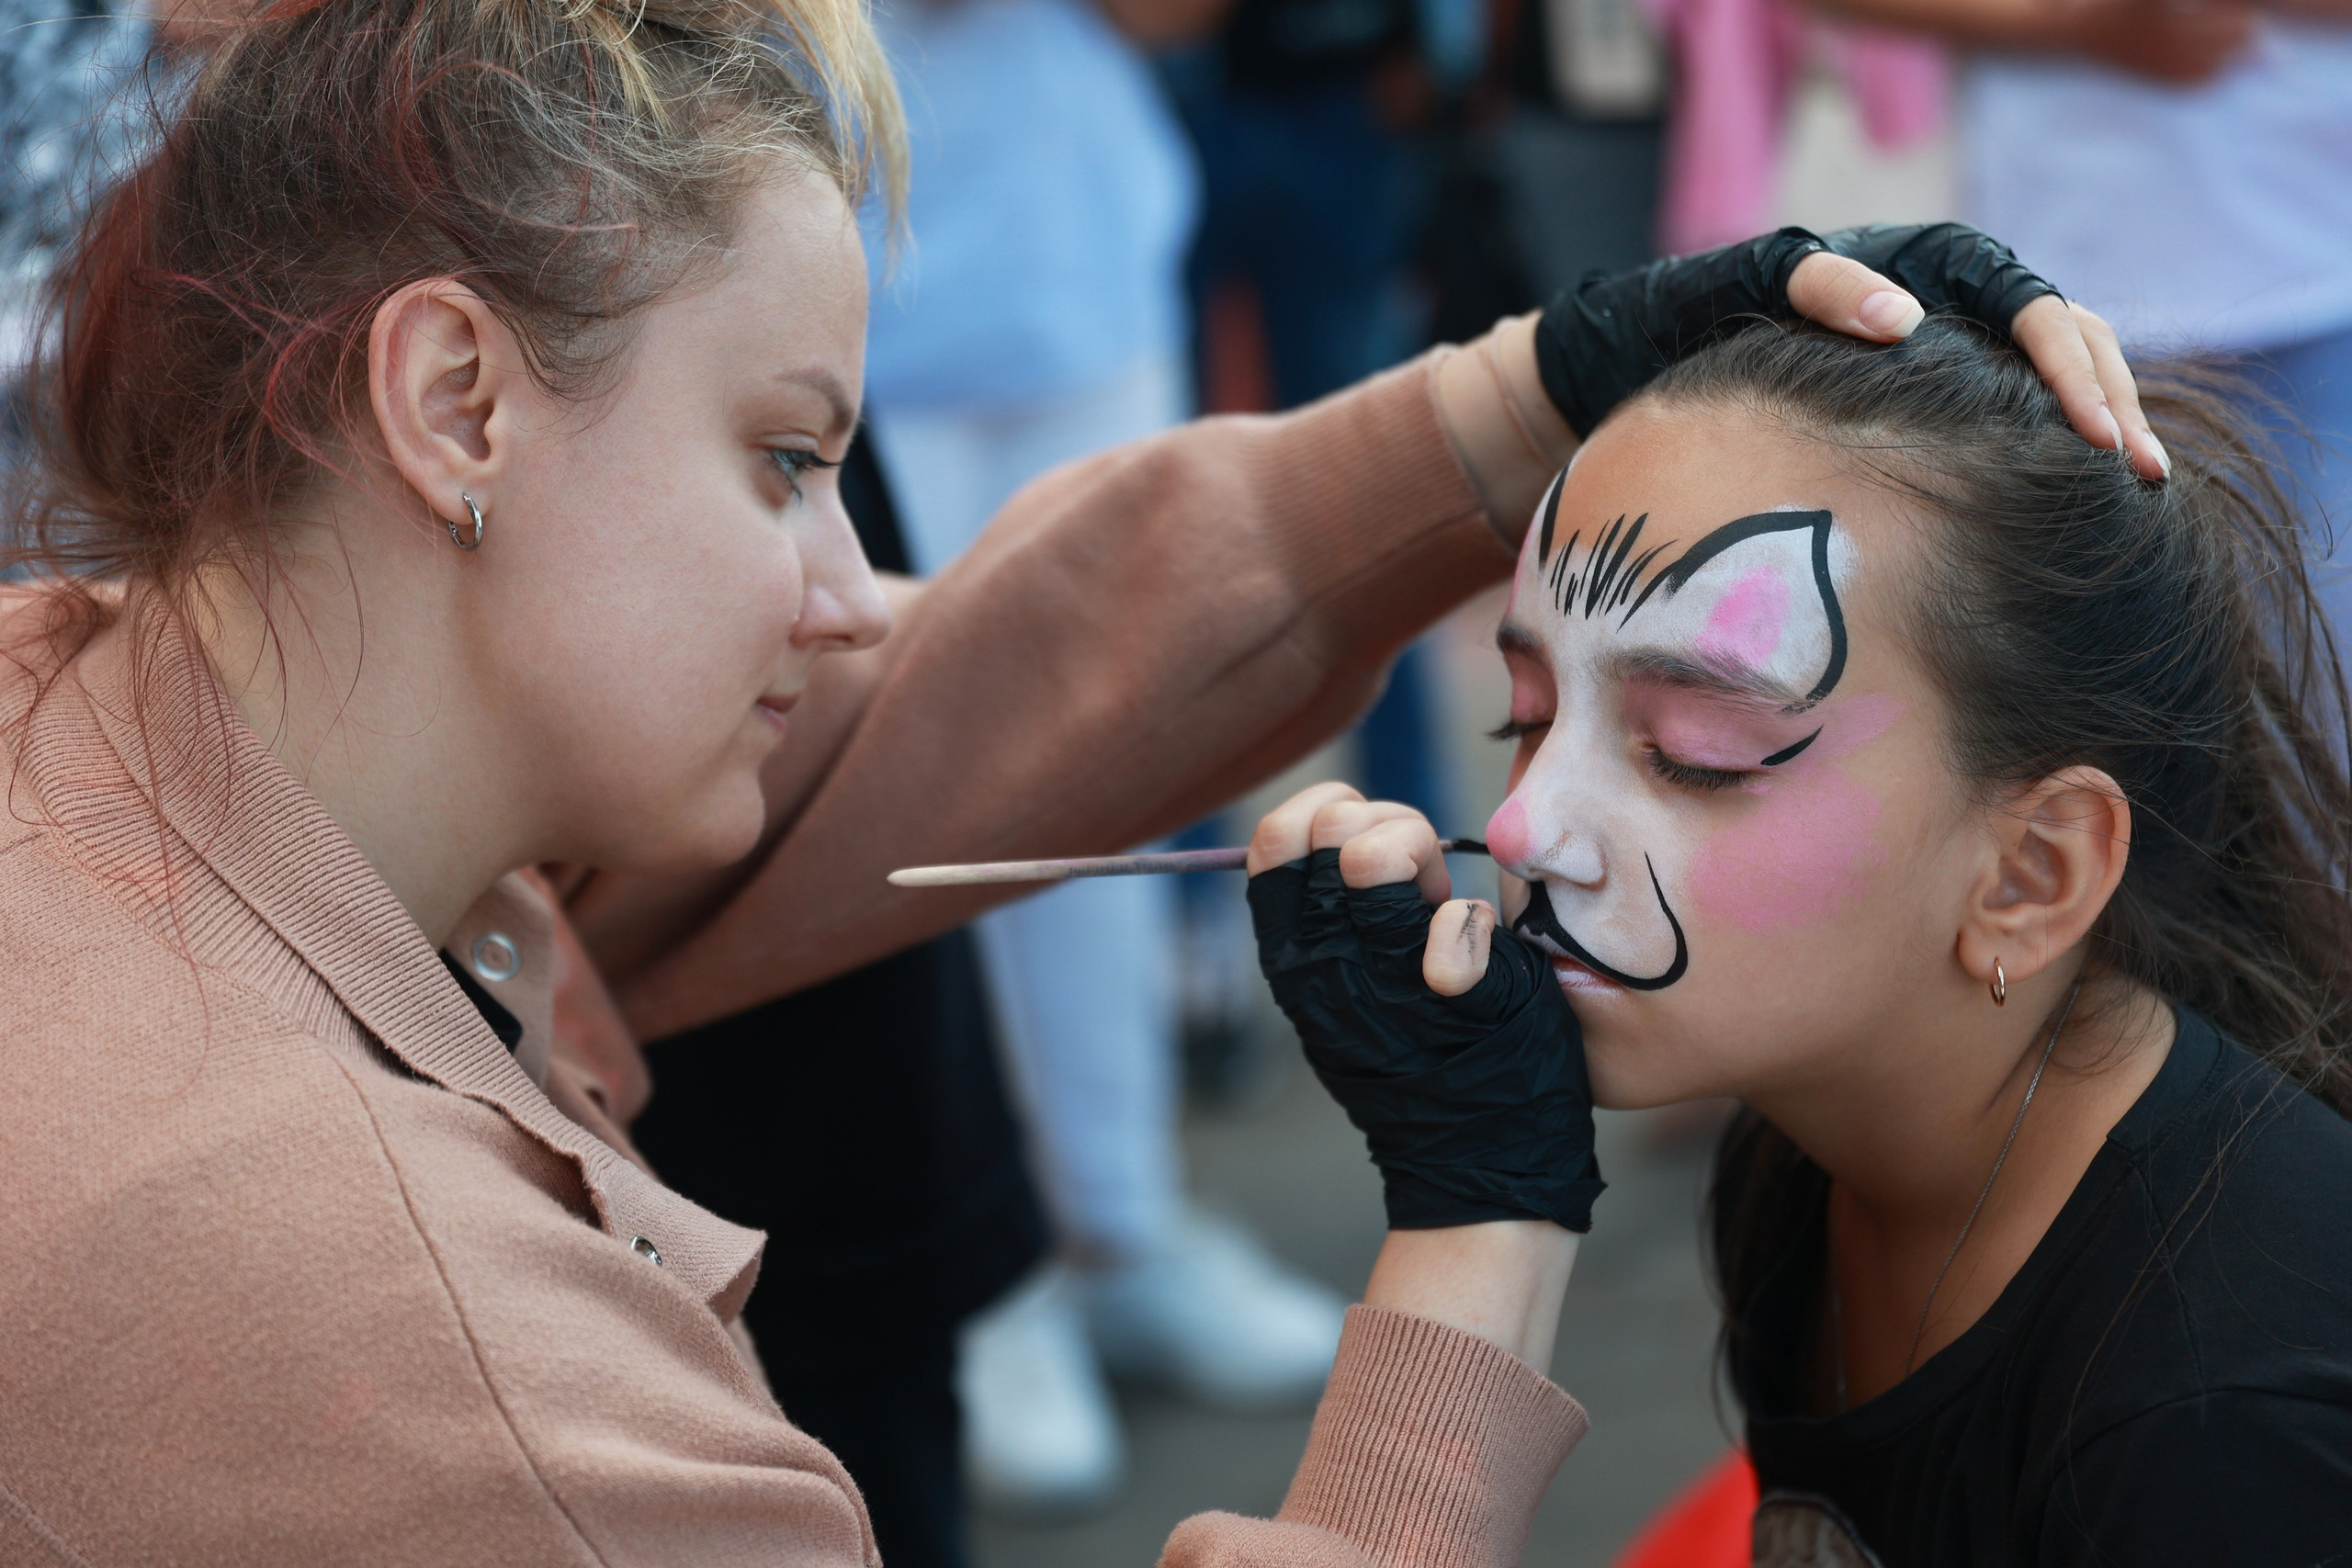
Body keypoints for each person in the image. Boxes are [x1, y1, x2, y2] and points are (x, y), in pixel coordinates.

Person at [0, 0, 2150, 1550]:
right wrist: (1481, 1230)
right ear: (453, 397)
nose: (851, 594)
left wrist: (1539, 384)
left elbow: (973, 682)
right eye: (784, 461)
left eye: (1694, 736)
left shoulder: (99, 714)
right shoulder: (444, 1372)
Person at [1250, 315, 2352, 1562]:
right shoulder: (1809, 1142)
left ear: (2031, 874)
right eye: (1530, 711)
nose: (1519, 828)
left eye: (1689, 757)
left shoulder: (2218, 1432)